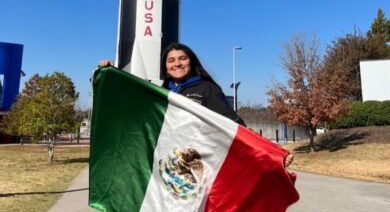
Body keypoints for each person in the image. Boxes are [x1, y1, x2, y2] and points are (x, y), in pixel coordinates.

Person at [98, 42, 293, 167]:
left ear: (191, 62)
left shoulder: (207, 89)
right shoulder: (162, 93)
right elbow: (134, 108)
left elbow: (235, 126)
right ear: (165, 67)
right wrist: (112, 74)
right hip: (167, 163)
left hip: (199, 162)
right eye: (171, 60)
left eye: (183, 58)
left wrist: (271, 152)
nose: (177, 63)